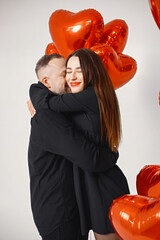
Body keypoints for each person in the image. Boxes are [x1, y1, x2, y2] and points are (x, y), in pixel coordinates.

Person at [29, 49, 130, 240]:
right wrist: (36, 93)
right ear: (45, 82)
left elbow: (52, 103)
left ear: (90, 71)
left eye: (79, 70)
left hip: (100, 186)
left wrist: (36, 95)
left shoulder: (90, 96)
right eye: (66, 72)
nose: (70, 78)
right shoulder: (53, 114)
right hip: (64, 208)